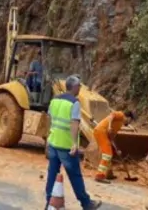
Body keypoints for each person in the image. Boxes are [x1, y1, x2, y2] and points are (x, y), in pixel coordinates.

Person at [45, 75, 102, 209]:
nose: (80, 88)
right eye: (80, 86)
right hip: (66, 146)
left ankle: (49, 204)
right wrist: (74, 144)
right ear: (75, 87)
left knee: (52, 175)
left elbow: (49, 119)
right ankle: (86, 203)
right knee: (75, 176)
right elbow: (74, 124)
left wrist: (48, 138)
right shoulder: (74, 103)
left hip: (53, 144)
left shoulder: (55, 100)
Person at [94, 110, 136, 183]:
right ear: (129, 118)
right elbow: (111, 116)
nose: (129, 123)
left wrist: (117, 149)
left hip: (102, 133)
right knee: (107, 155)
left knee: (108, 154)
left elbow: (112, 137)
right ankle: (99, 175)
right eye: (130, 121)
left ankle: (108, 174)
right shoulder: (121, 115)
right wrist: (109, 126)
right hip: (101, 131)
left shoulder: (119, 125)